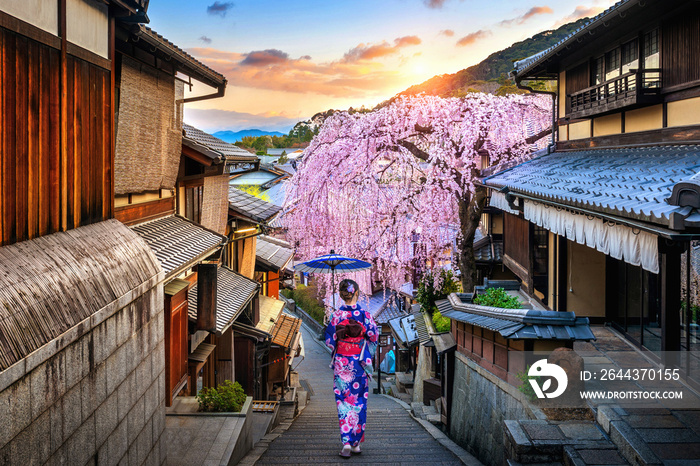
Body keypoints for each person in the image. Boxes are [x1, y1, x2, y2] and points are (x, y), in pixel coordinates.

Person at [324, 279, 379, 458]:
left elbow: (329, 341)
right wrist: (364, 351)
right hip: (359, 364)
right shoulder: (365, 315)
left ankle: (346, 443)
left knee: (343, 401)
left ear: (341, 295)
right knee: (359, 402)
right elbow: (373, 337)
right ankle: (356, 444)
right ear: (356, 293)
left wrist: (341, 347)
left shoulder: (336, 316)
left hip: (342, 364)